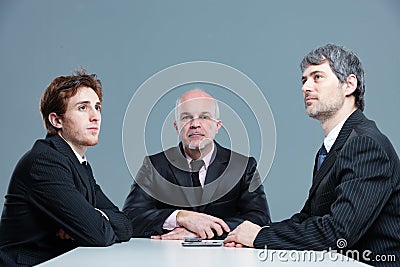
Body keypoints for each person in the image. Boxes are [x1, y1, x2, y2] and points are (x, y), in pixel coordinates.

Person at [224, 44, 400, 266]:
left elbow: (338, 234)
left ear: (349, 85)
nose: (306, 87)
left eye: (317, 77)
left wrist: (259, 238)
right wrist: (250, 232)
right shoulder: (333, 146)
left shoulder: (365, 144)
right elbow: (308, 218)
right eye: (304, 80)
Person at [0, 69, 133, 266]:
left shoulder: (78, 163)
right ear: (57, 120)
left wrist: (93, 218)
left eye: (97, 107)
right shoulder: (45, 162)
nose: (95, 116)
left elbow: (126, 225)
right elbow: (98, 234)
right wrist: (89, 222)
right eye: (82, 108)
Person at [123, 89, 270, 240]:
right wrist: (180, 217)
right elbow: (130, 217)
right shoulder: (154, 165)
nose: (195, 124)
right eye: (186, 117)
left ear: (218, 126)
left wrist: (202, 231)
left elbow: (260, 219)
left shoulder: (243, 166)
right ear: (176, 126)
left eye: (204, 117)